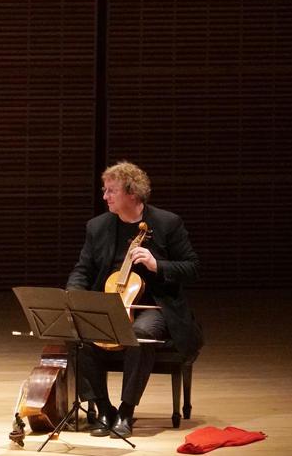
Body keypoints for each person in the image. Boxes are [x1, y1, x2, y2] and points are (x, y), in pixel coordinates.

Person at [66, 161, 201, 438]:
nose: (105, 196)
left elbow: (192, 268)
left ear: (133, 194)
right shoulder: (98, 226)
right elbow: (83, 269)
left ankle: (126, 412)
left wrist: (157, 265)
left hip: (154, 306)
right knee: (77, 335)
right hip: (110, 303)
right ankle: (105, 409)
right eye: (105, 190)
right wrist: (74, 299)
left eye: (111, 191)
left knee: (139, 335)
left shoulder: (167, 223)